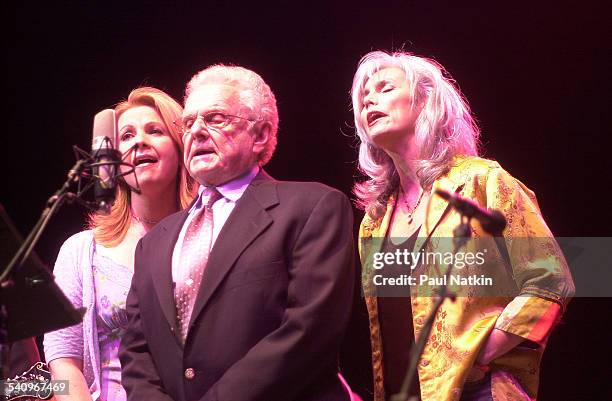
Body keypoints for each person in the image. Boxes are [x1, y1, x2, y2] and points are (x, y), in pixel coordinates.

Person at [119, 65, 355, 401]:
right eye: (188, 124)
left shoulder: (312, 207)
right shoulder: (154, 243)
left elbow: (308, 330)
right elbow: (136, 352)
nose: (197, 132)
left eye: (214, 119)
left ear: (260, 135)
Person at [350, 51, 575, 401]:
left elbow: (551, 281)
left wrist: (482, 351)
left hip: (479, 391)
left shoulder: (482, 181)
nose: (369, 101)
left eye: (385, 88)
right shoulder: (374, 221)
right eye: (364, 98)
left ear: (427, 101)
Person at [44, 87, 196, 401]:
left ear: (181, 148)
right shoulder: (80, 252)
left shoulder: (209, 239)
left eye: (155, 131)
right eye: (126, 136)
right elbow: (63, 360)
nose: (139, 140)